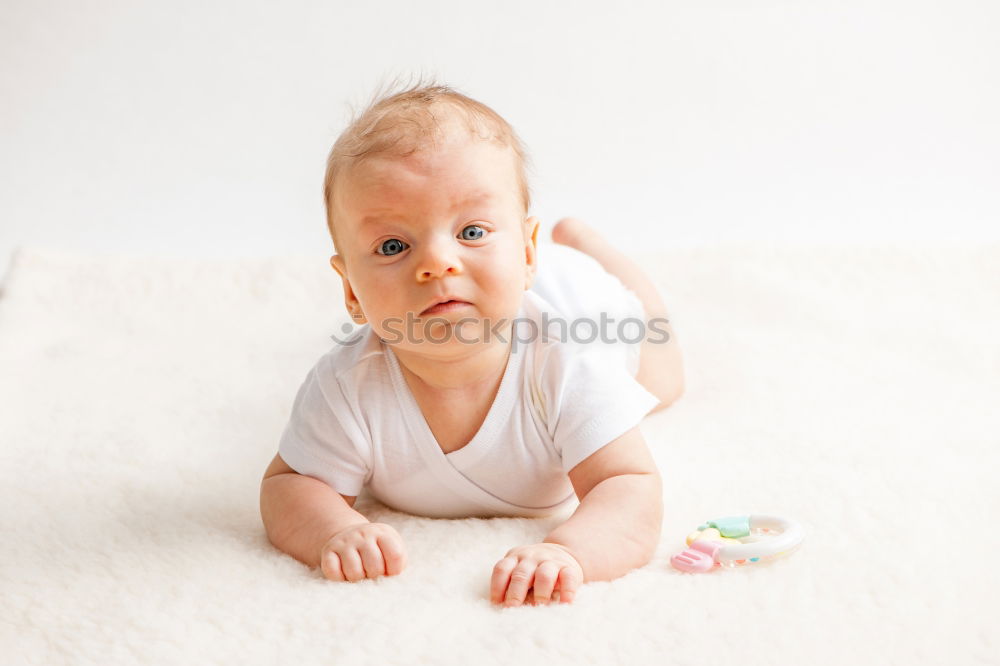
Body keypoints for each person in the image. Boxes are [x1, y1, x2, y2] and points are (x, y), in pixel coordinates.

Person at [259, 81, 685, 607]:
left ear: (528, 254)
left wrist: (571, 551)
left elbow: (628, 484)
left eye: (473, 231)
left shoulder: (569, 363)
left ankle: (597, 251)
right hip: (518, 291)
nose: (439, 262)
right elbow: (289, 486)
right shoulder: (348, 384)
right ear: (351, 290)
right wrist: (333, 530)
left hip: (584, 306)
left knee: (662, 379)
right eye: (394, 245)